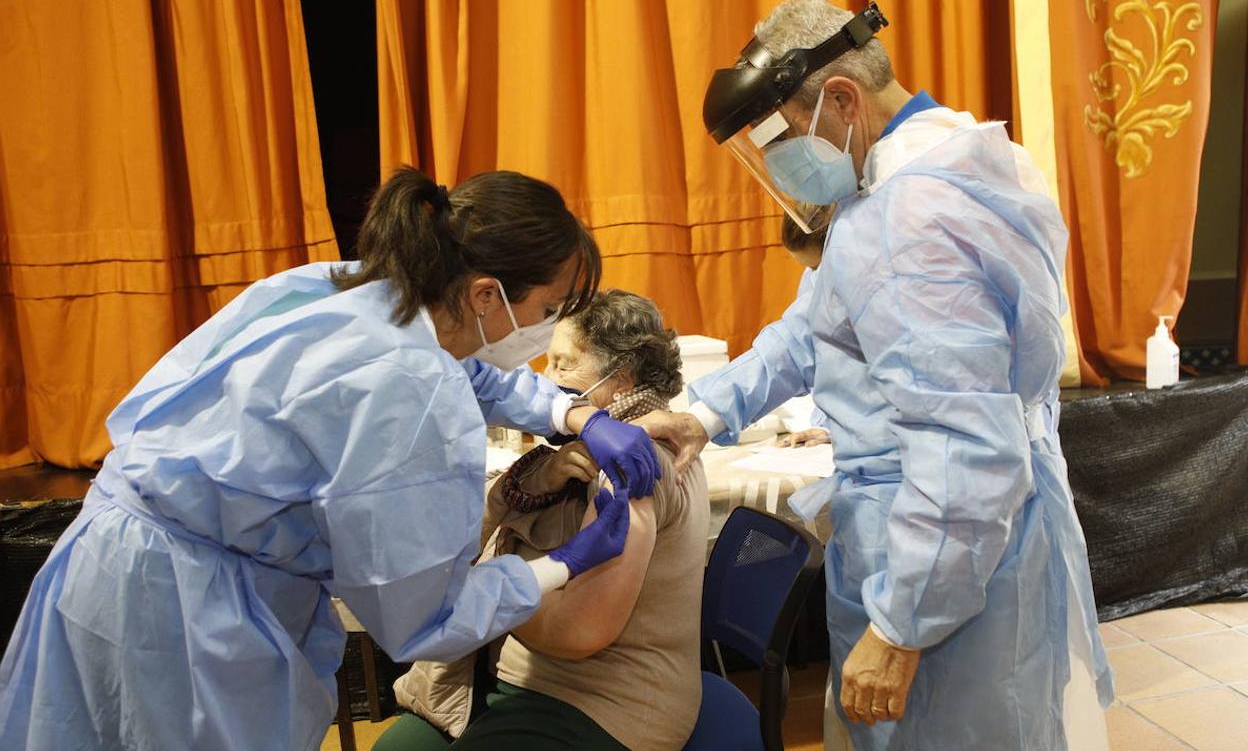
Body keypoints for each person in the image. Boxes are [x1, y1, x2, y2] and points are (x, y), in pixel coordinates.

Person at [0, 167, 662, 751]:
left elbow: (465, 367)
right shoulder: (408, 392)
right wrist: (565, 563)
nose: (547, 334)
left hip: (119, 558)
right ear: (487, 294)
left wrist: (573, 413)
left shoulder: (364, 294)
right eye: (548, 311)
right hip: (178, 615)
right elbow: (427, 617)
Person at [641, 0, 1113, 751]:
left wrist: (900, 628)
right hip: (956, 548)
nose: (776, 164)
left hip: (934, 558)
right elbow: (813, 330)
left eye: (779, 138)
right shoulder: (947, 160)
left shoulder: (908, 221)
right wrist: (702, 411)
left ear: (841, 98)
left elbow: (965, 447)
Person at [376, 289, 709, 751]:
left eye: (563, 363)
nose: (546, 380)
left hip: (603, 702)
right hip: (521, 676)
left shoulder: (634, 462)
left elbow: (580, 630)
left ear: (624, 375)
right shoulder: (578, 453)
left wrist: (486, 592)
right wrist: (539, 480)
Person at [775, 210, 833, 449]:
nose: (814, 276)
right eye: (810, 270)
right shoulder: (812, 276)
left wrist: (836, 427)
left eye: (819, 267)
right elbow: (807, 349)